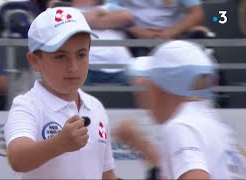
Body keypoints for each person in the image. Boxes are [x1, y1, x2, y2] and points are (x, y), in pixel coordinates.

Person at [4, 7, 117, 179]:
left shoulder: (95, 107)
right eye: (60, 56)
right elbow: (17, 158)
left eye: (81, 54)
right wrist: (59, 143)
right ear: (35, 61)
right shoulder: (27, 105)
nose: (73, 67)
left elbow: (106, 174)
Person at [115, 40, 246, 179]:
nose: (142, 100)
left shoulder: (181, 127)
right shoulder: (215, 125)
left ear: (161, 88)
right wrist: (142, 147)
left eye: (148, 85)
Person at [69, 0, 134, 85]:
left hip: (121, 69)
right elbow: (66, 21)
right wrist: (101, 15)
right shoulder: (64, 10)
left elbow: (126, 17)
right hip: (85, 70)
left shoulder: (109, 6)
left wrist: (82, 21)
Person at [119, 0, 212, 56]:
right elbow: (110, 9)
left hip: (173, 34)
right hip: (132, 32)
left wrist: (169, 33)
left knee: (202, 32)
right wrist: (139, 32)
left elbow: (197, 13)